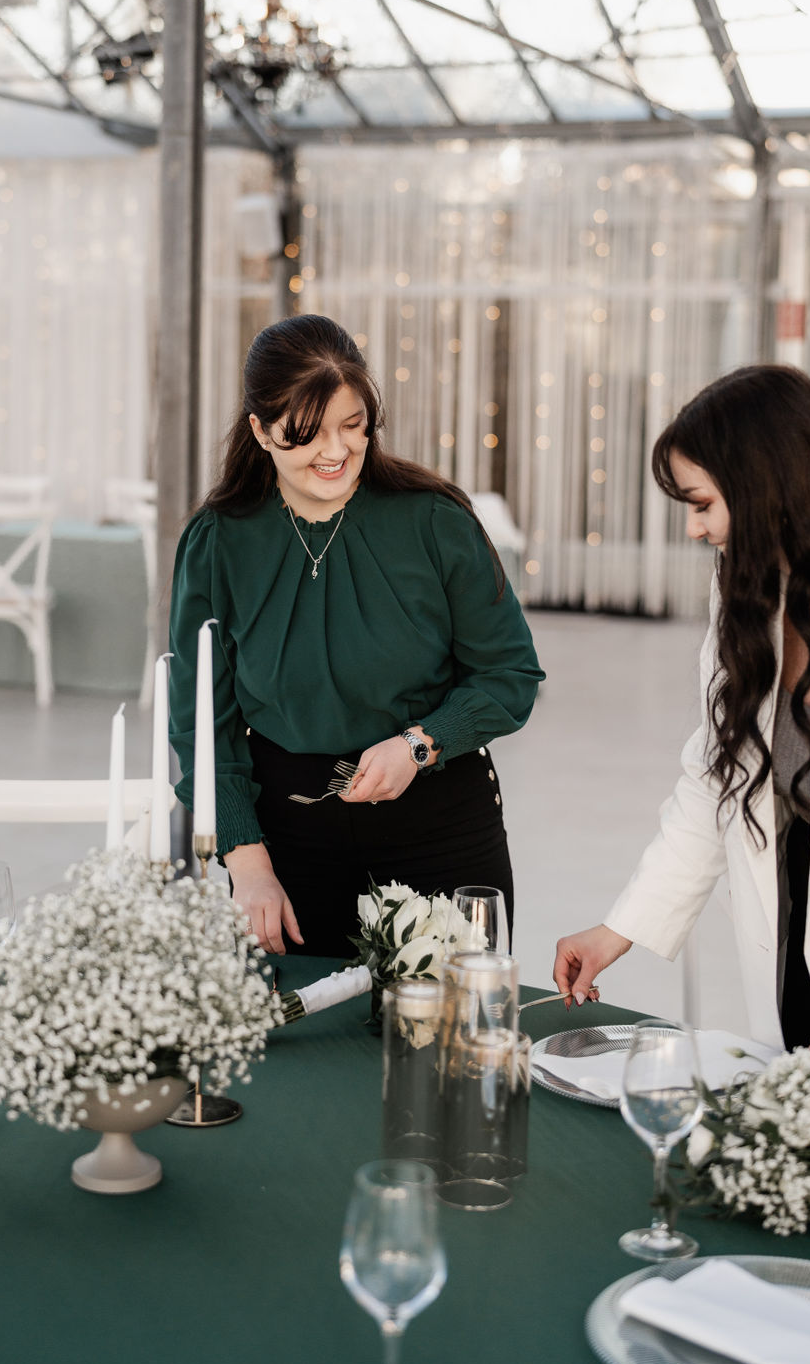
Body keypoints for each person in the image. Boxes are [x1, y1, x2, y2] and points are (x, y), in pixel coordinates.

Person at [169, 314, 543, 956]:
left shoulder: (435, 521)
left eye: (352, 425)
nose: (335, 451)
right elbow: (201, 720)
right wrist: (247, 862)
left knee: (451, 1016)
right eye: (307, 434)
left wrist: (420, 744)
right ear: (260, 431)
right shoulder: (218, 543)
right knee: (303, 1018)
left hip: (441, 826)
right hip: (286, 839)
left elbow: (509, 675)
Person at [554, 364, 810, 1060]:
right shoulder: (747, 588)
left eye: (702, 504)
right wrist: (620, 928)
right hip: (794, 952)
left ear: (768, 488)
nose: (694, 529)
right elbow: (716, 774)